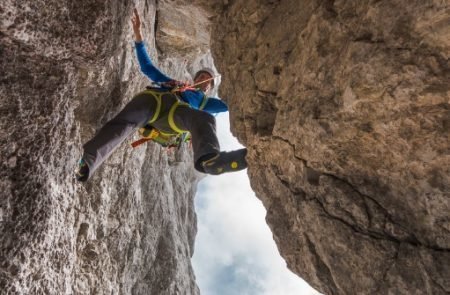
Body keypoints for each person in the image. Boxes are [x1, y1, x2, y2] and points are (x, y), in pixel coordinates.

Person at [75, 9, 247, 182]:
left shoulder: (204, 102)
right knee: (123, 124)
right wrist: (138, 36)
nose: (204, 80)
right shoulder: (173, 83)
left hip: (176, 115)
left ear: (209, 88)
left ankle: (208, 160)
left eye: (208, 81)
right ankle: (86, 162)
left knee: (205, 119)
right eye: (202, 76)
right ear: (196, 78)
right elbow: (148, 68)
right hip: (153, 102)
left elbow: (229, 105)